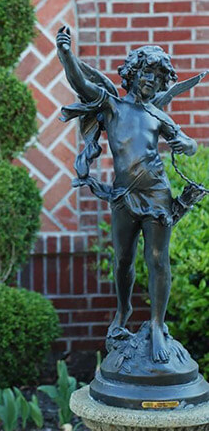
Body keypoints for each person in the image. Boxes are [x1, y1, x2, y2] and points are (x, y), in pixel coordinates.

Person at [56, 25, 202, 363]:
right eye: (145, 73)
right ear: (132, 74)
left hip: (157, 195)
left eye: (156, 75)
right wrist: (66, 56)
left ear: (163, 81)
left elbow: (190, 144)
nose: (150, 80)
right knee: (123, 260)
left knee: (157, 260)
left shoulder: (158, 115)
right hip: (123, 195)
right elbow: (82, 84)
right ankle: (123, 312)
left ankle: (156, 325)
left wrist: (187, 144)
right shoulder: (113, 107)